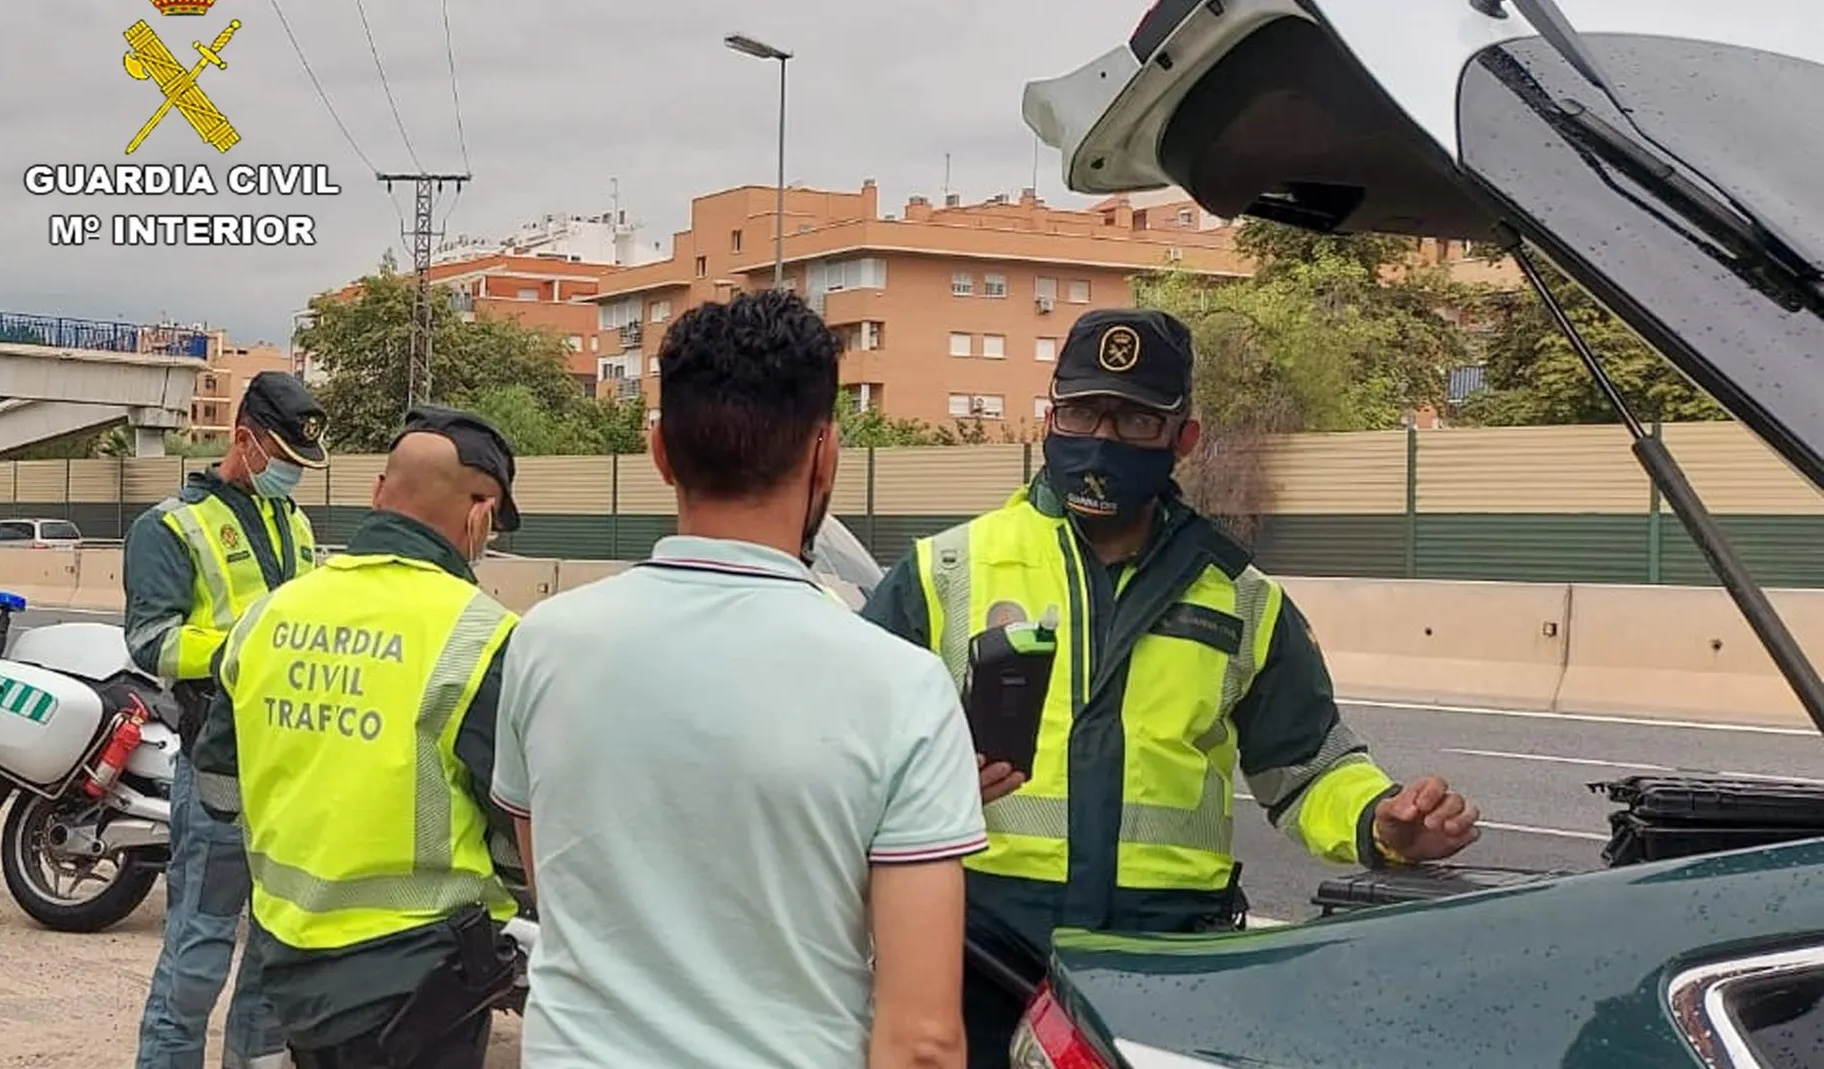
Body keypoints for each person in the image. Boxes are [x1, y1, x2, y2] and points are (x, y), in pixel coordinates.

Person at [859, 308, 1483, 1067]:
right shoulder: (943, 572)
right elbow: (841, 758)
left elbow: (1309, 769)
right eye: (1084, 411)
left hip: (1168, 968)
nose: (1103, 437)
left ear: (1184, 439)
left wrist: (1383, 821)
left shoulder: (1241, 598)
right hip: (983, 956)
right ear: (1050, 416)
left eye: (1134, 420)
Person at [491, 288, 986, 1069]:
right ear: (826, 453)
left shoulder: (544, 644)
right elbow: (923, 1039)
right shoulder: (903, 687)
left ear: (659, 451)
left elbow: (565, 892)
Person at [191, 406, 527, 1069]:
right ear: (480, 513)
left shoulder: (268, 615)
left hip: (287, 961)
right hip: (421, 977)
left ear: (378, 492)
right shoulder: (482, 636)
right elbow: (516, 830)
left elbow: (219, 788)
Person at [126, 370, 328, 1069]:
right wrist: (249, 650)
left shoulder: (295, 525)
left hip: (290, 774)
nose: (293, 479)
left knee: (272, 969)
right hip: (216, 767)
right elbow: (151, 642)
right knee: (196, 960)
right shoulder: (169, 527)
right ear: (244, 438)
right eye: (285, 461)